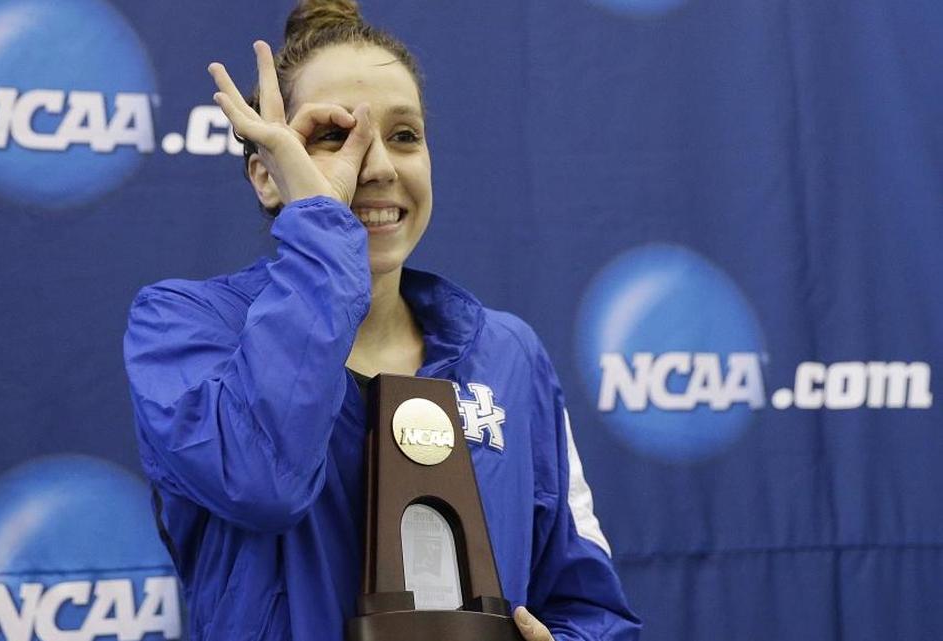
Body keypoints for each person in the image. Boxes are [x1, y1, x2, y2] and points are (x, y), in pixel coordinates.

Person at [123, 1, 641, 639]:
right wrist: (320, 218)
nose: (376, 168)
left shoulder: (509, 353)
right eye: (333, 139)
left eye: (404, 136)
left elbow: (587, 604)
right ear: (266, 176)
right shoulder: (183, 327)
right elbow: (262, 483)